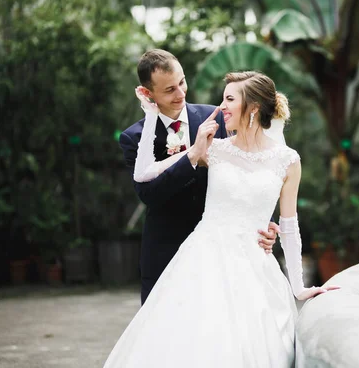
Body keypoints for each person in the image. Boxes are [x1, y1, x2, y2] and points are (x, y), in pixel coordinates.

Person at [105, 71, 338, 367]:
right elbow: (144, 174)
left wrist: (299, 287)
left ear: (253, 107)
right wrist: (156, 120)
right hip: (202, 260)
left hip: (256, 267)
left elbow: (289, 226)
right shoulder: (214, 149)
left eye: (229, 99)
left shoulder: (288, 160)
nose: (221, 106)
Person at [119, 50, 277, 304]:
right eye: (170, 89)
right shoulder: (134, 138)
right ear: (148, 94)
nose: (181, 94)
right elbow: (150, 194)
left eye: (182, 82)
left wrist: (265, 222)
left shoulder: (217, 118)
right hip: (165, 251)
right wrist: (191, 159)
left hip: (221, 253)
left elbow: (250, 169)